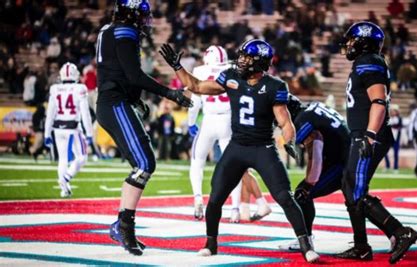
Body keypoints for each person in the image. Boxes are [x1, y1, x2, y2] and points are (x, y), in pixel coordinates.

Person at [159, 39, 319, 263]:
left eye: (247, 57)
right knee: (215, 198)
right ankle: (211, 244)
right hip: (237, 146)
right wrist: (178, 68)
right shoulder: (231, 76)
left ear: (259, 62)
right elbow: (197, 87)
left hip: (263, 148)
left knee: (285, 197)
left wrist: (290, 142)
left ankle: (306, 245)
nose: (241, 61)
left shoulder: (275, 86)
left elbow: (284, 121)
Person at [95, 0, 192, 256]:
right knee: (144, 163)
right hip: (114, 103)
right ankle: (123, 225)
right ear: (132, 15)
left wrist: (136, 98)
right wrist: (172, 95)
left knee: (144, 163)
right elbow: (133, 75)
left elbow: (116, 71)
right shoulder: (124, 32)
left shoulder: (109, 30)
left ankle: (123, 224)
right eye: (142, 16)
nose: (144, 22)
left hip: (115, 101)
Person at [278, 96, 414, 255]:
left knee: (303, 194)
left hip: (343, 162)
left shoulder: (302, 120)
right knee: (356, 199)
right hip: (349, 156)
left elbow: (316, 144)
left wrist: (310, 182)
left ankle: (306, 240)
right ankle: (391, 235)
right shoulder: (314, 107)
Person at [336, 21, 417, 264]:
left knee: (356, 192)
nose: (348, 45)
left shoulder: (368, 61)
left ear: (363, 41)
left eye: (352, 40)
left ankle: (399, 232)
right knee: (349, 187)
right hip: (364, 133)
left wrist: (370, 134)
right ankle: (361, 246)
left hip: (370, 134)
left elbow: (378, 101)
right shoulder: (365, 62)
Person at [187, 45, 270, 222]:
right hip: (230, 121)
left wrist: (191, 122)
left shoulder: (200, 70)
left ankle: (198, 200)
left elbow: (195, 100)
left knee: (197, 162)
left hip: (209, 120)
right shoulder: (231, 69)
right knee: (238, 168)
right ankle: (236, 209)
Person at [44, 62, 93, 198]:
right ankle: (66, 177)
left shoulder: (55, 89)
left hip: (58, 128)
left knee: (63, 159)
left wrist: (47, 133)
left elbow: (50, 114)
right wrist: (89, 133)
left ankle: (64, 189)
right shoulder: (80, 88)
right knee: (82, 157)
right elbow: (85, 114)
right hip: (73, 128)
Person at [384, 105, 403, 172]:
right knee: (385, 152)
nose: (393, 112)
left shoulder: (399, 119)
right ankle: (387, 166)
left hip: (396, 139)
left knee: (395, 153)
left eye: (395, 111)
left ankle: (395, 167)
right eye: (392, 111)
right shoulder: (388, 118)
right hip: (388, 138)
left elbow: (400, 127)